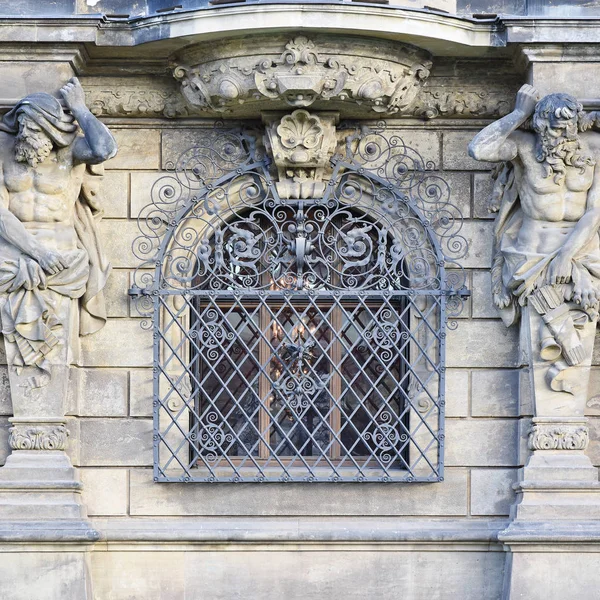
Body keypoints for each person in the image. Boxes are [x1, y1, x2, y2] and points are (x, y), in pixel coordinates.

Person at [469, 84, 600, 379]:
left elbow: (595, 210)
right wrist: (518, 113)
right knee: (546, 327)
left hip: (581, 253)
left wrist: (566, 256)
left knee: (576, 323)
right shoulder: (524, 147)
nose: (564, 137)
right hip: (530, 254)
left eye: (569, 129)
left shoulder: (593, 148)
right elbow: (479, 149)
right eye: (555, 130)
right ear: (540, 126)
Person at [0, 78, 117, 387]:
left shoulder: (70, 153)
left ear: (52, 130)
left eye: (34, 129)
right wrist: (39, 253)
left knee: (57, 340)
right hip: (15, 256)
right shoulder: (4, 152)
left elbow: (105, 148)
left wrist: (79, 108)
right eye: (22, 127)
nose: (25, 135)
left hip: (64, 259)